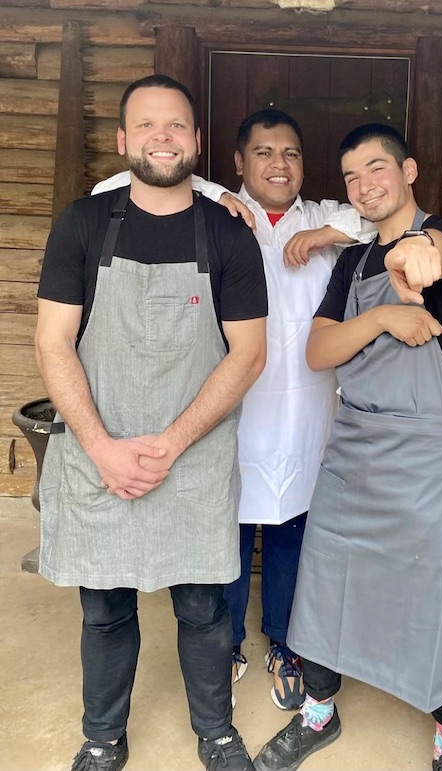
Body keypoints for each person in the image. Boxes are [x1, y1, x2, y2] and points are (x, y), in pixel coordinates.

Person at [95, 108, 375, 710]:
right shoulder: (212, 212)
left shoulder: (323, 219)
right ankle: (221, 645)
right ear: (239, 162)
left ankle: (284, 641)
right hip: (226, 406)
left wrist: (324, 235)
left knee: (291, 529)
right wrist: (216, 192)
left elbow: (378, 218)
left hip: (304, 413)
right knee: (224, 528)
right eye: (265, 153)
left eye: (292, 154)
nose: (280, 164)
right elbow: (114, 187)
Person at [35, 75, 268, 771]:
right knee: (104, 609)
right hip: (96, 453)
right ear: (123, 141)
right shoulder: (81, 223)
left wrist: (169, 443)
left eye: (176, 126)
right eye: (147, 125)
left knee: (202, 609)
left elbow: (249, 353)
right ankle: (103, 735)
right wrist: (104, 447)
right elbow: (53, 344)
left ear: (195, 141)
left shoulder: (227, 232)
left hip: (190, 457)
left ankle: (216, 734)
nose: (162, 137)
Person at [252, 124, 442, 771]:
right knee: (325, 577)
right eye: (351, 177)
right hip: (354, 444)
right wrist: (381, 315)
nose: (364, 184)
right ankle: (319, 709)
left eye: (376, 168)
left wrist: (419, 258)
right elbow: (318, 351)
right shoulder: (351, 262)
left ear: (408, 170)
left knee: (435, 590)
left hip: (423, 451)